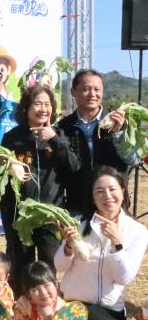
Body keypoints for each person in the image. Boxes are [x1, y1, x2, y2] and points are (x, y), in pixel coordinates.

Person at [55, 166, 148, 320]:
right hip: (77, 305)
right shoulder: (79, 224)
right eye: (99, 191)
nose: (107, 196)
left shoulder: (137, 232)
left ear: (123, 191)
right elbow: (59, 266)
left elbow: (124, 277)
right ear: (92, 197)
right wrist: (68, 246)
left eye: (112, 189)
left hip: (110, 310)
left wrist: (117, 243)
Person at [0, 84, 81, 293]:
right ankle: (22, 305)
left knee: (48, 265)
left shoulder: (59, 135)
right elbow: (1, 173)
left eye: (47, 104)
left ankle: (47, 305)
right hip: (20, 214)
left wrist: (54, 139)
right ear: (26, 108)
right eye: (37, 104)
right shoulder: (12, 138)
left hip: (50, 214)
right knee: (21, 265)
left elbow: (73, 168)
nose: (43, 109)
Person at [57, 69, 141, 216]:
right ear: (73, 92)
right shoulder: (63, 127)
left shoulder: (120, 122)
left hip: (113, 206)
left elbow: (134, 160)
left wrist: (118, 134)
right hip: (78, 207)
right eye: (86, 89)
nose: (92, 94)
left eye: (97, 89)